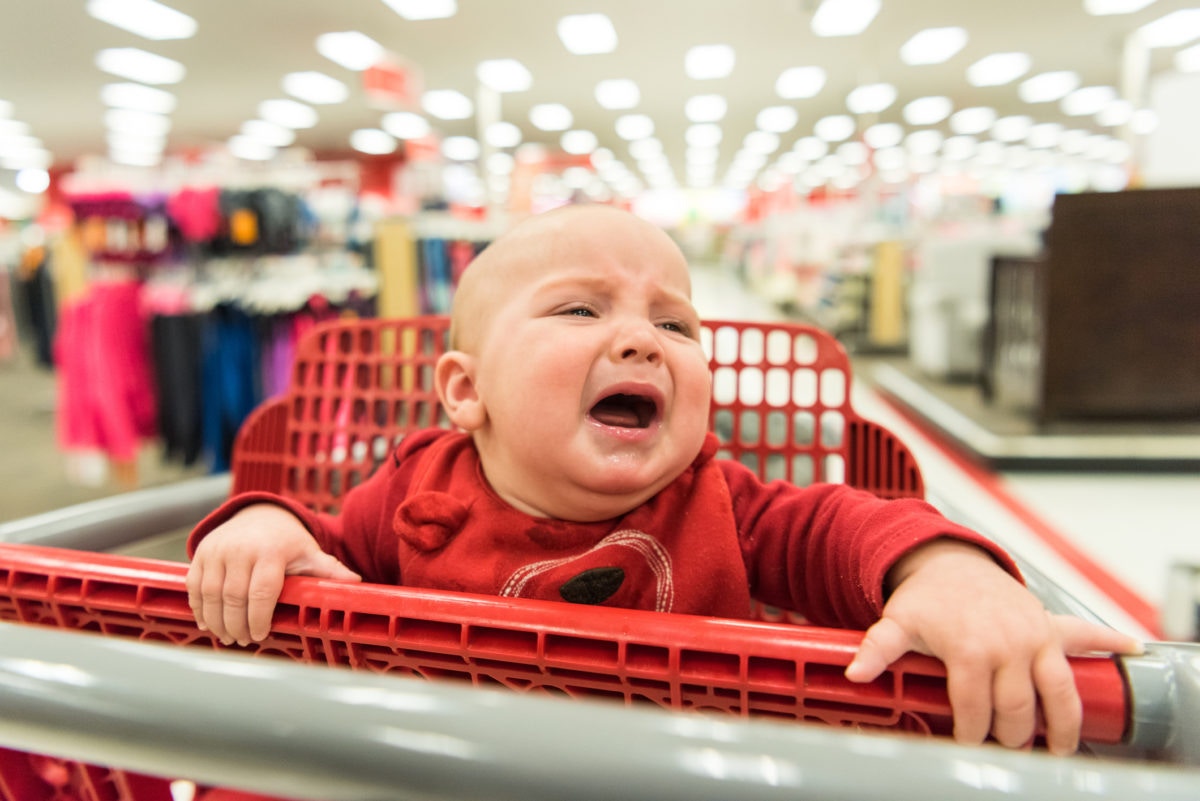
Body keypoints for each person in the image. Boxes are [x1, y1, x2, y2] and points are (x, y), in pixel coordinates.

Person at [187, 204, 1140, 755]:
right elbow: (324, 544)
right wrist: (261, 525)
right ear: (465, 391)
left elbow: (843, 526)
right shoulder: (412, 491)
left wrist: (946, 575)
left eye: (677, 326)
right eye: (578, 308)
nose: (643, 337)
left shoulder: (723, 504)